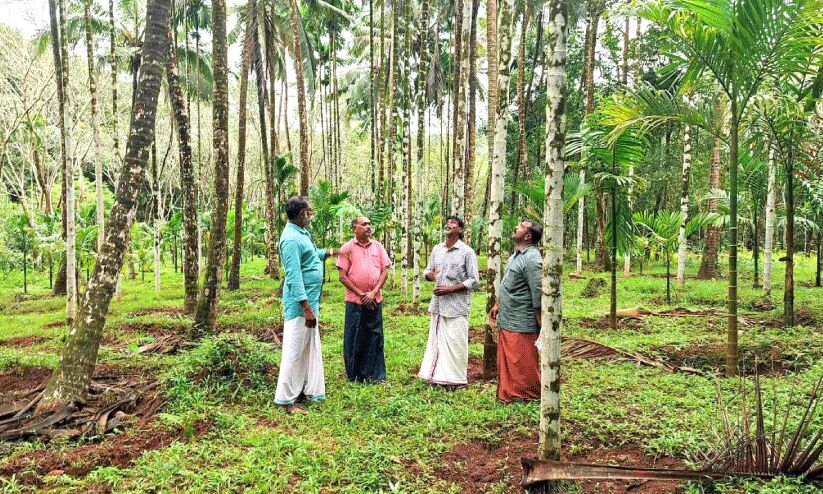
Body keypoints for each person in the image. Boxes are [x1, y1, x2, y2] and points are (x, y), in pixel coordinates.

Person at [274, 196, 342, 414]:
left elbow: (311, 256)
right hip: (300, 308)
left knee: (305, 350)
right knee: (293, 352)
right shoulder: (291, 239)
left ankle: (301, 390)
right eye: (309, 211)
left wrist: (333, 251)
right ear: (302, 214)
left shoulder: (301, 233)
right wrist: (306, 308)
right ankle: (286, 401)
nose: (312, 214)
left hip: (311, 303)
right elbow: (293, 276)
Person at [418, 215, 480, 389]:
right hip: (438, 304)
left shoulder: (467, 252)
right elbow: (428, 270)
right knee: (437, 341)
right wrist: (428, 275)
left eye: (453, 223)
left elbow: (474, 280)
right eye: (447, 223)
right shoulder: (437, 249)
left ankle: (458, 380)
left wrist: (451, 289)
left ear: (460, 230)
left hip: (457, 306)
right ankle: (437, 377)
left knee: (456, 342)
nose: (448, 225)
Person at [489, 220, 543, 403]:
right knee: (510, 361)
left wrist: (541, 322)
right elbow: (508, 284)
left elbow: (537, 292)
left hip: (522, 320)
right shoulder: (516, 256)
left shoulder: (532, 259)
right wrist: (498, 305)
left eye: (520, 227)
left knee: (521, 361)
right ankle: (511, 393)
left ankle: (528, 395)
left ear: (528, 236)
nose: (516, 228)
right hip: (508, 317)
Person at [336, 216, 392, 382]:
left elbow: (384, 271)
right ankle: (355, 374)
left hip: (375, 300)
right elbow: (342, 276)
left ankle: (375, 374)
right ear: (355, 228)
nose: (368, 227)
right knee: (354, 336)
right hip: (355, 301)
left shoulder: (378, 247)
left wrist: (373, 292)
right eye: (364, 224)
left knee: (375, 336)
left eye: (369, 224)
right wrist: (361, 294)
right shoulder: (347, 248)